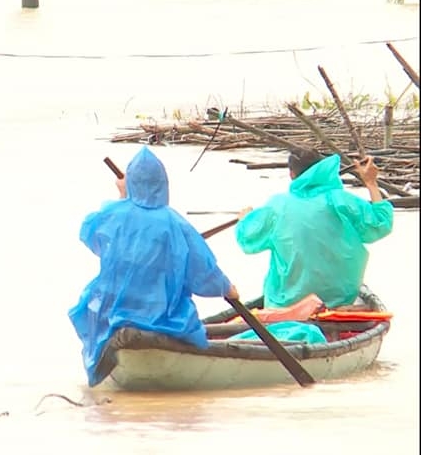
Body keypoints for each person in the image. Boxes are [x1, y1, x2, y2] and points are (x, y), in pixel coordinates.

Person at [69, 147, 239, 387]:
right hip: (164, 318)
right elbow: (204, 273)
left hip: (111, 313)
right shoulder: (176, 223)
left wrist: (122, 198)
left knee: (91, 302)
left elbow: (90, 234)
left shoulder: (112, 215)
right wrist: (228, 289)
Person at [235, 152, 393, 310]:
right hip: (339, 300)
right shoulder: (341, 200)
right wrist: (371, 183)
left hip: (287, 303)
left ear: (291, 174)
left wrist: (245, 219)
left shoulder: (277, 205)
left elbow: (247, 239)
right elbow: (381, 223)